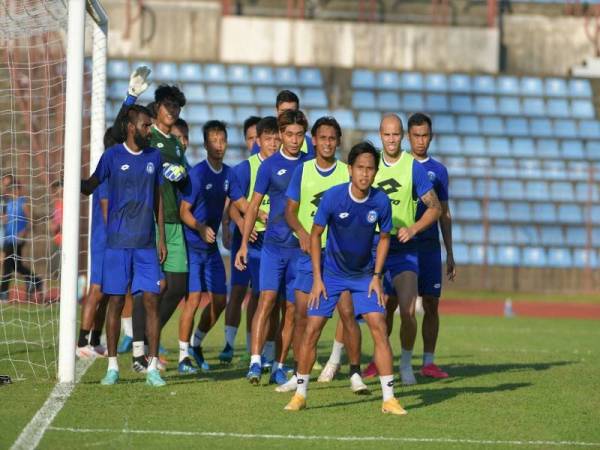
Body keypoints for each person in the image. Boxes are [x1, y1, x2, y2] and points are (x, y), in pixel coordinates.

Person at [284, 141, 406, 415]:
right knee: (312, 328)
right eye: (360, 168)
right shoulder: (333, 197)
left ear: (376, 172)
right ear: (350, 169)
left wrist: (377, 276)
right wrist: (318, 278)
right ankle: (301, 394)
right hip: (332, 275)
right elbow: (315, 235)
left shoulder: (381, 201)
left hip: (364, 276)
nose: (365, 173)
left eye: (370, 169)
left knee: (378, 325)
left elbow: (385, 238)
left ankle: (389, 398)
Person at [80, 104, 167, 387]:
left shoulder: (155, 156)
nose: (149, 131)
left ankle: (152, 366)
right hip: (117, 244)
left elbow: (158, 198)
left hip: (145, 245)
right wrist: (74, 180)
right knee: (116, 301)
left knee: (152, 300)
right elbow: (92, 184)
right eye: (145, 126)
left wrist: (161, 236)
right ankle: (113, 366)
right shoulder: (112, 156)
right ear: (131, 127)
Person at [284, 117, 368, 394]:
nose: (328, 143)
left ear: (338, 141)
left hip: (337, 258)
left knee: (347, 313)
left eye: (332, 138)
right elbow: (290, 211)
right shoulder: (303, 170)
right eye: (323, 138)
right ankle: (298, 375)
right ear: (314, 140)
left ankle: (353, 371)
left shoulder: (347, 171)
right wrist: (304, 234)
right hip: (308, 254)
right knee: (300, 314)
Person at [361, 114, 441, 385]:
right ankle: (372, 363)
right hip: (374, 248)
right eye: (387, 135)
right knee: (375, 314)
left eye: (396, 134)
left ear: (402, 136)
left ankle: (406, 363)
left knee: (407, 312)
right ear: (380, 135)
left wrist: (414, 228)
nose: (392, 139)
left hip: (404, 249)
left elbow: (435, 207)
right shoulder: (369, 165)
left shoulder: (413, 167)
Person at [235, 110, 310, 386]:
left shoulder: (310, 165)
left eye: (299, 135)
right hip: (272, 248)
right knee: (265, 301)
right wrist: (243, 244)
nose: (293, 139)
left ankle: (279, 365)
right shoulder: (269, 166)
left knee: (291, 309)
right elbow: (253, 205)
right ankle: (256, 362)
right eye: (289, 134)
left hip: (299, 251)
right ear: (280, 135)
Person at [177, 120, 248, 374]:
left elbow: (241, 203)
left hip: (211, 250)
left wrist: (260, 215)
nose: (219, 145)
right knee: (194, 299)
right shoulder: (197, 175)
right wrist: (199, 227)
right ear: (206, 144)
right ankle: (183, 356)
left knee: (220, 300)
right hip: (193, 247)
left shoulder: (229, 174)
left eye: (223, 140)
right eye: (214, 141)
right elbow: (183, 211)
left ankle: (196, 344)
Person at [408, 113, 455, 378]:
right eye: (416, 135)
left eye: (425, 135)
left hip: (428, 247)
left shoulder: (439, 171)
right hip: (401, 246)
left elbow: (444, 213)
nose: (421, 141)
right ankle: (382, 361)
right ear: (408, 137)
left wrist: (450, 252)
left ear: (431, 136)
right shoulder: (399, 166)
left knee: (431, 303)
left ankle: (428, 361)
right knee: (392, 303)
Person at [218, 115, 266, 364]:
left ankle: (252, 348)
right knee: (237, 291)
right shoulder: (243, 169)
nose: (253, 142)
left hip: (268, 240)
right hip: (244, 238)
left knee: (259, 294)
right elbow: (231, 206)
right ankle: (228, 343)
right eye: (250, 138)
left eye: (256, 137)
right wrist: (234, 226)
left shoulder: (273, 165)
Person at [0, 176, 42, 300]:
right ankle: (36, 281)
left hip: (17, 239)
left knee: (7, 264)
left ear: (18, 189)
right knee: (16, 266)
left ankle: (3, 292)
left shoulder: (23, 202)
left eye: (15, 189)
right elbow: (7, 219)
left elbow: (32, 220)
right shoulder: (9, 203)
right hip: (8, 238)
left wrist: (24, 232)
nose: (13, 191)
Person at [250, 91, 314, 157]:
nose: (287, 115)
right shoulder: (261, 141)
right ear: (276, 111)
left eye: (291, 111)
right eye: (283, 111)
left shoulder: (309, 144)